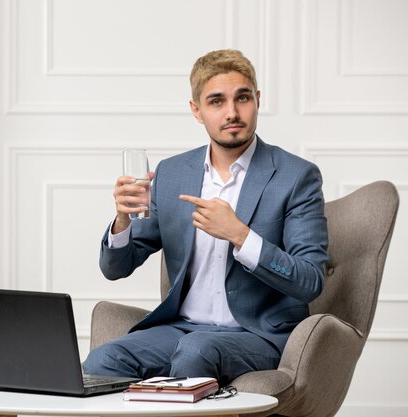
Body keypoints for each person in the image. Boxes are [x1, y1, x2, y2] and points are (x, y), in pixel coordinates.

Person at [82, 49, 328, 385]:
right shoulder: (172, 174)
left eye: (242, 98)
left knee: (197, 350)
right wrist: (122, 221)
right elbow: (116, 269)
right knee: (104, 358)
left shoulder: (296, 177)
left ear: (257, 100)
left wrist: (241, 236)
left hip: (259, 334)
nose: (232, 112)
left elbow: (310, 280)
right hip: (181, 328)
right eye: (216, 101)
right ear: (196, 110)